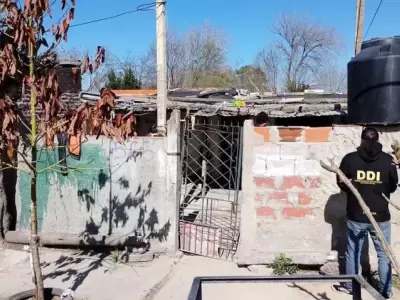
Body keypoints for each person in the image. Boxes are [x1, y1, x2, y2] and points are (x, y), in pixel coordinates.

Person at [333, 127, 398, 299]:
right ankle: (386, 290)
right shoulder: (388, 161)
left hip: (356, 215)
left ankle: (350, 285)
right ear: (377, 140)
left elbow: (342, 184)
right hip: (381, 216)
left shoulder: (349, 159)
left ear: (361, 140)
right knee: (384, 254)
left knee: (353, 251)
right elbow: (392, 186)